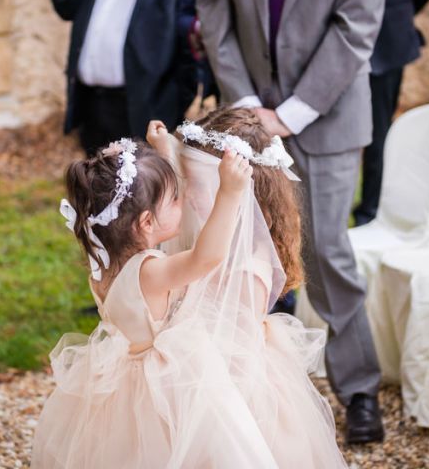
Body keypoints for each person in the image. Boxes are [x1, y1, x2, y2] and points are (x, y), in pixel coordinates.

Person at [198, 0, 387, 444]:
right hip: (246, 119)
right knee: (246, 247)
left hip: (328, 116)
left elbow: (355, 26)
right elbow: (215, 13)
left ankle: (359, 388)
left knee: (323, 249)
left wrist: (290, 113)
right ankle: (258, 389)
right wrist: (245, 111)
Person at [32, 139, 287, 468]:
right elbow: (206, 257)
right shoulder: (150, 272)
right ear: (147, 223)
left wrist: (164, 155)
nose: (182, 201)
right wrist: (230, 193)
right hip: (171, 382)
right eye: (175, 199)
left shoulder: (104, 265)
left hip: (125, 375)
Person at [149, 108, 347, 467]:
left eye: (199, 183)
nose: (188, 194)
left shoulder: (249, 265)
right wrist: (166, 153)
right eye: (186, 179)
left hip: (224, 383)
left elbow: (235, 353)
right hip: (185, 363)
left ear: (238, 188)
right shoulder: (208, 218)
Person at [49, 0, 181, 156]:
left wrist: (171, 105)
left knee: (139, 183)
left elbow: (186, 36)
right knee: (95, 180)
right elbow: (67, 6)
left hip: (141, 107)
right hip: (91, 101)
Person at [354, 0, 429, 226]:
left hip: (386, 36)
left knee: (378, 131)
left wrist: (395, 7)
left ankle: (370, 212)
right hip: (333, 30)